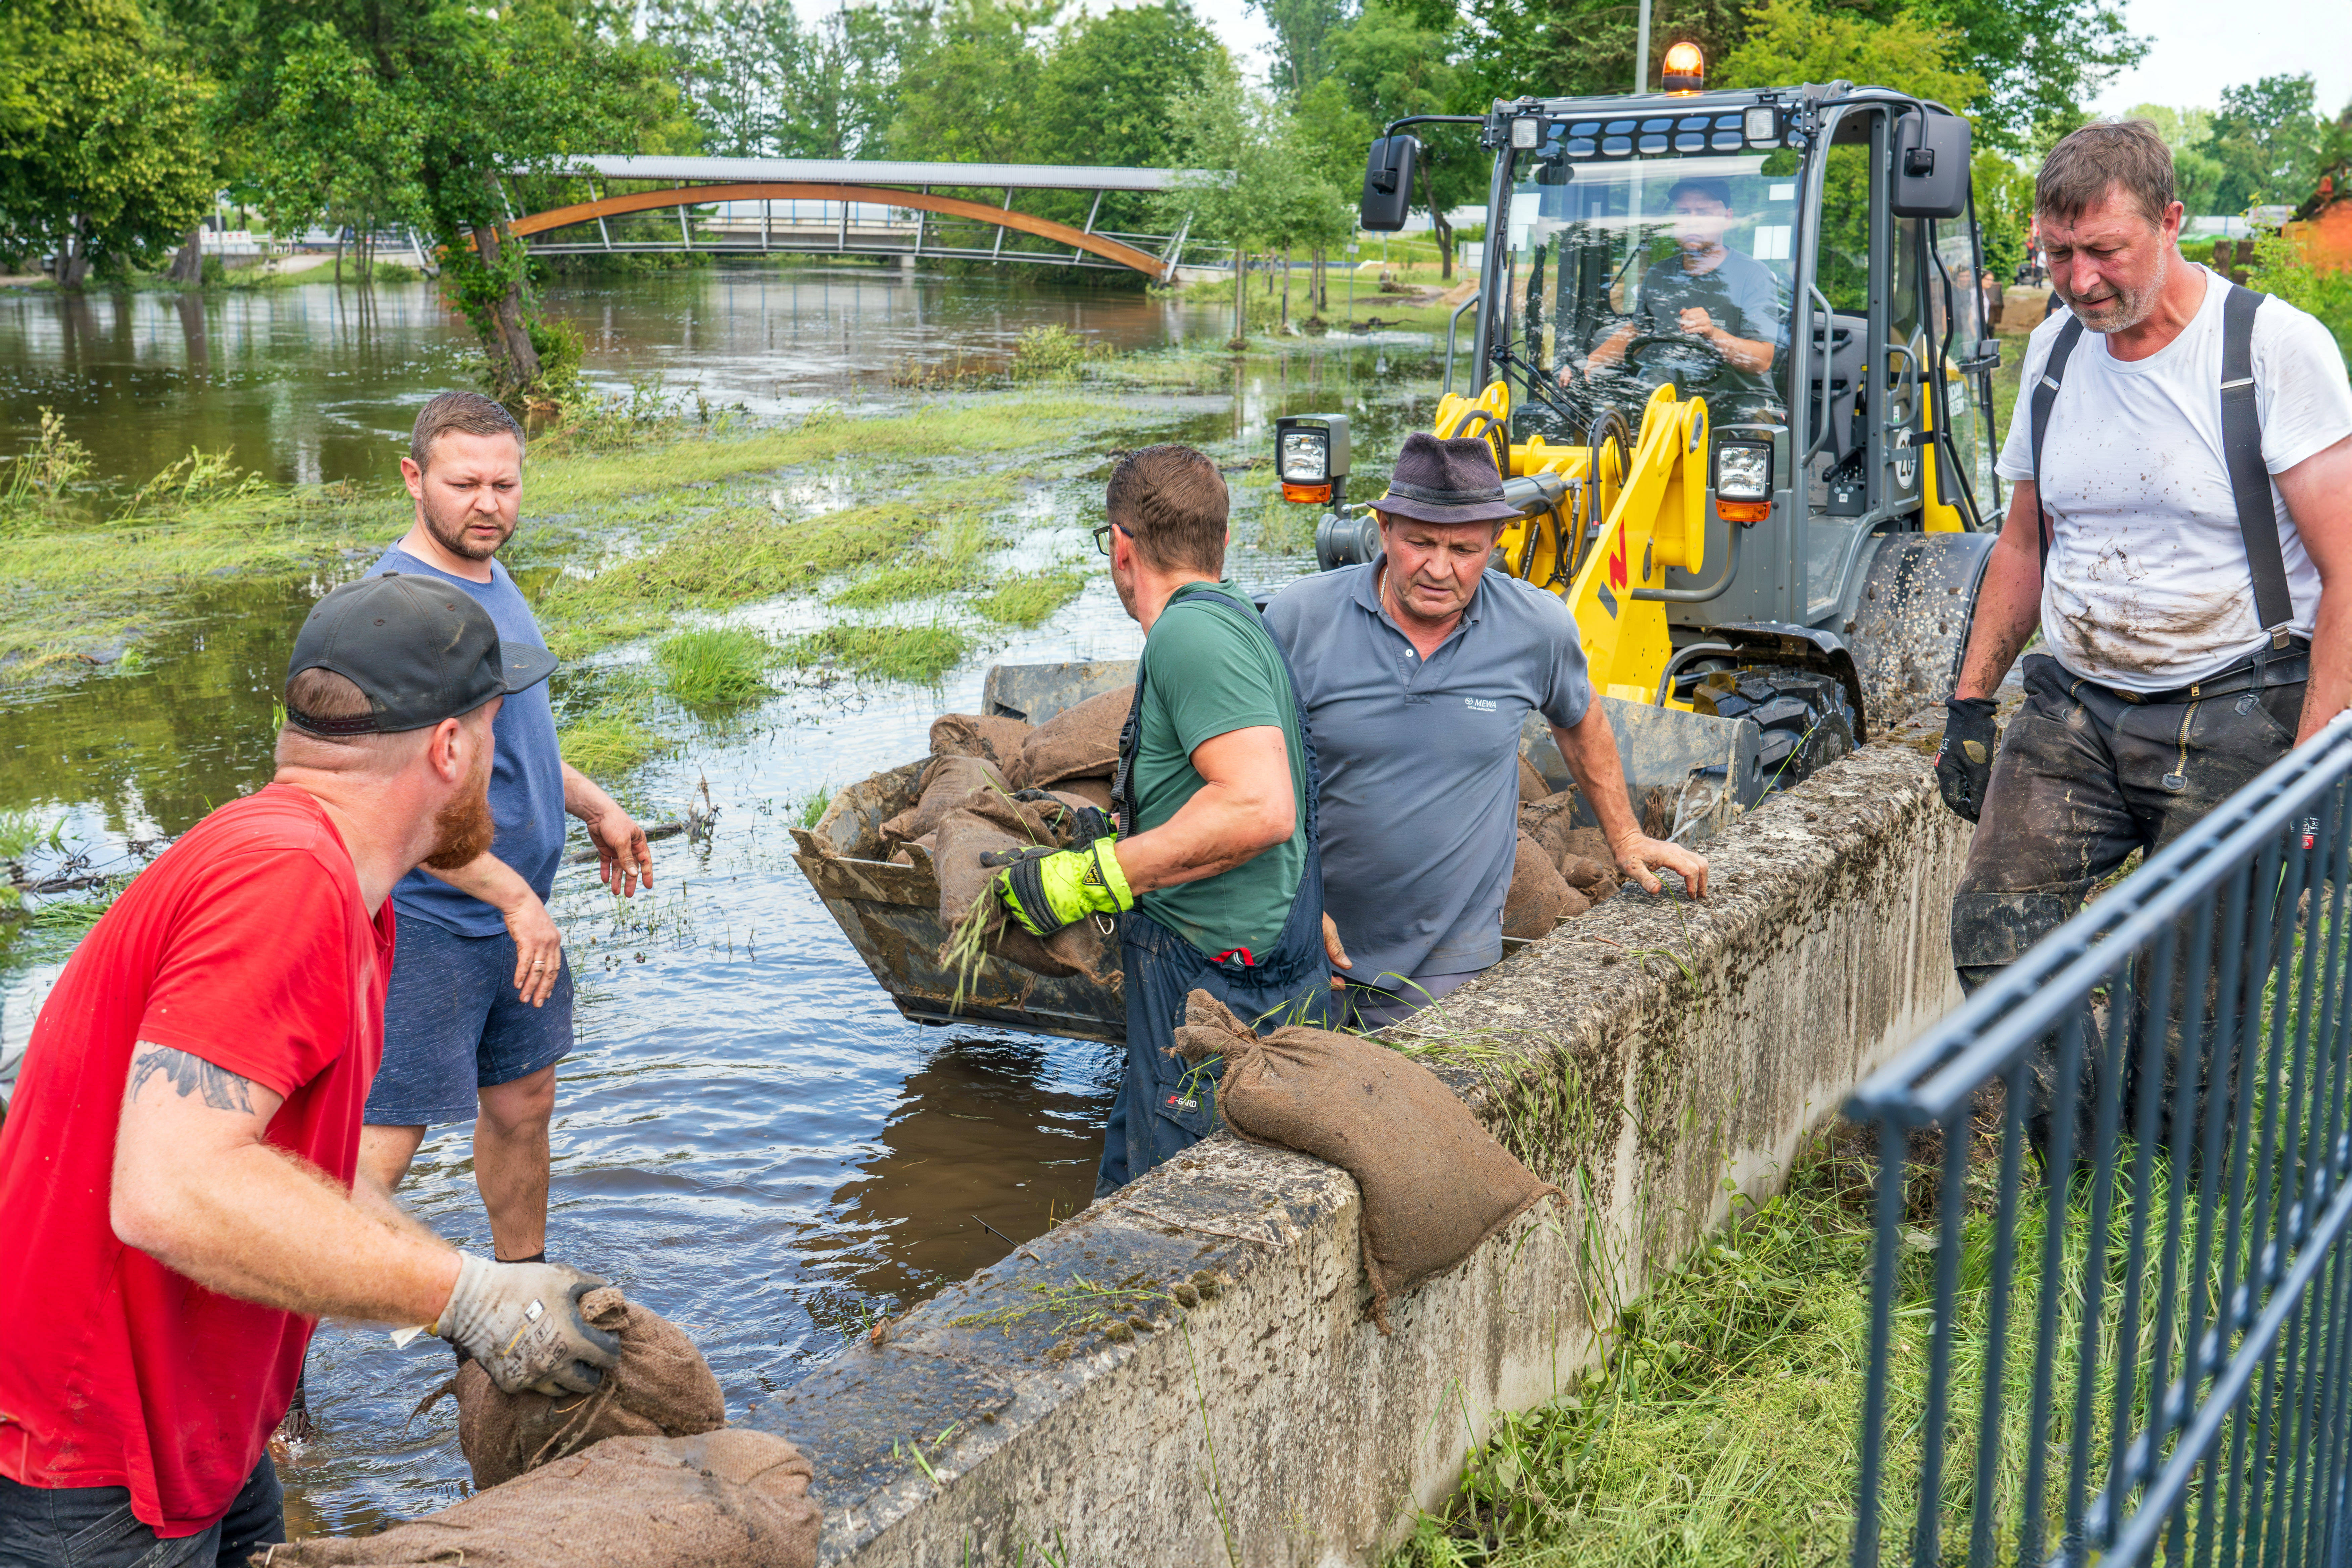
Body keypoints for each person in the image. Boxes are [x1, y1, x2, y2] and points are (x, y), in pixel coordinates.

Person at [0, 577, 619, 1568]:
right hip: (96, 1457)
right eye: (496, 737)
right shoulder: (285, 880)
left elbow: (275, 1180)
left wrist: (501, 1294)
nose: (501, 766)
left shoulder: (317, 872)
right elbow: (170, 1190)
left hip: (201, 1421)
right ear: (451, 749)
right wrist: (459, 1293)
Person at [1934, 120, 2352, 1144]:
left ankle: (2163, 1186)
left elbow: (2346, 569)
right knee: (1994, 933)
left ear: (2168, 223)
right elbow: (2024, 543)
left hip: (2236, 703)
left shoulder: (2269, 350)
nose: (2076, 281)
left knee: (2188, 1012)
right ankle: (2069, 1152)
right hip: (2074, 701)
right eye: (2055, 253)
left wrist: (2310, 773)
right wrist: (1970, 700)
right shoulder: (2053, 351)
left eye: (2102, 252)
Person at [1266, 433, 1711, 1029]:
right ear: (1385, 527)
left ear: (1495, 541)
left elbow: (1579, 720)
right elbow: (1251, 765)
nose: (1439, 568)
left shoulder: (1535, 627)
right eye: (1420, 543)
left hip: (1445, 964)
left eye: (1464, 549)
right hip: (1306, 950)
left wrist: (1627, 837)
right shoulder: (1300, 618)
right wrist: (1288, 904)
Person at [358, 392, 650, 1268]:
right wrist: (517, 899)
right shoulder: (395, 613)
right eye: (464, 484)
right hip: (428, 925)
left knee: (524, 1105)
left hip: (518, 919)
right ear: (414, 480)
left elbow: (505, 749)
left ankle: (525, 1290)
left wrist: (594, 805)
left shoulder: (490, 574)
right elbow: (398, 805)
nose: (487, 504)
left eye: (504, 483)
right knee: (382, 1145)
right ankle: (273, 1375)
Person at [991, 445, 1330, 1194]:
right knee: (1127, 1188)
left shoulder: (1189, 635)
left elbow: (1259, 804)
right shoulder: (1238, 615)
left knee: (1188, 1223)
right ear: (1222, 539)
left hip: (1220, 989)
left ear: (1121, 547)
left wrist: (1090, 878)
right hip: (1237, 966)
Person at [1562, 177, 1786, 419]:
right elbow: (1637, 331)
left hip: (1738, 401)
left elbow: (1762, 360)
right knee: (1609, 422)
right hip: (1671, 401)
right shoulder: (1660, 274)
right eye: (1684, 212)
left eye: (1703, 213)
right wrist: (1588, 364)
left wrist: (1712, 334)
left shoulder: (1753, 275)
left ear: (1727, 217)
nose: (1691, 222)